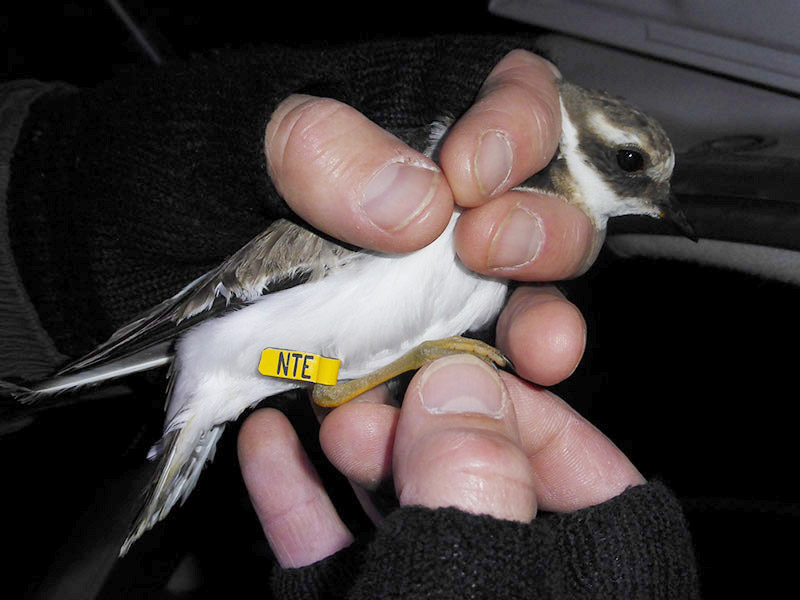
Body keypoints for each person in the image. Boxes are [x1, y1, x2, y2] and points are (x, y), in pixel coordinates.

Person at [1, 36, 699, 597]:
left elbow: (308, 371)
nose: (651, 194)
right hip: (232, 348)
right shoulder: (461, 176)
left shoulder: (500, 245)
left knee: (321, 380)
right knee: (326, 377)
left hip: (264, 365)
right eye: (632, 164)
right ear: (583, 143)